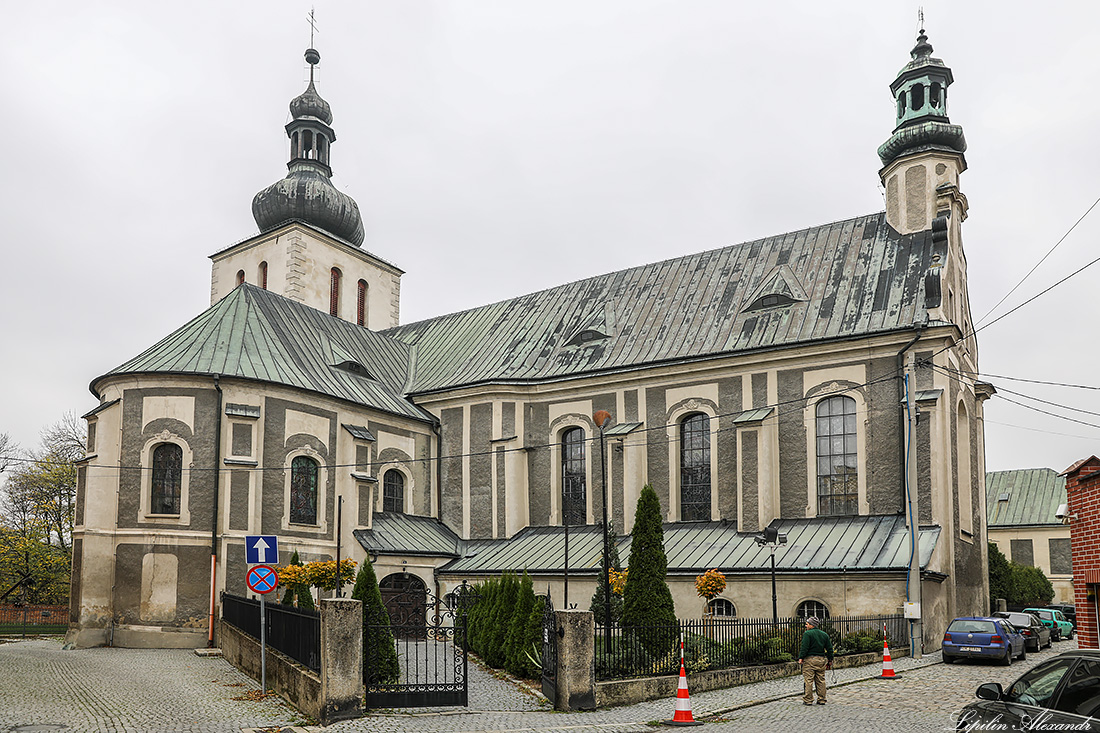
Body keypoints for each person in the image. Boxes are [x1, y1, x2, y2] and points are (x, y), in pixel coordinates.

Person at [798, 616, 834, 705]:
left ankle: (808, 699)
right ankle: (822, 699)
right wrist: (830, 659)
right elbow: (829, 648)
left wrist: (801, 657)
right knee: (821, 680)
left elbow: (804, 647)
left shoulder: (808, 634)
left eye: (807, 624)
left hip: (810, 659)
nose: (806, 626)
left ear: (811, 625)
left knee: (808, 680)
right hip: (821, 659)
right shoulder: (824, 634)